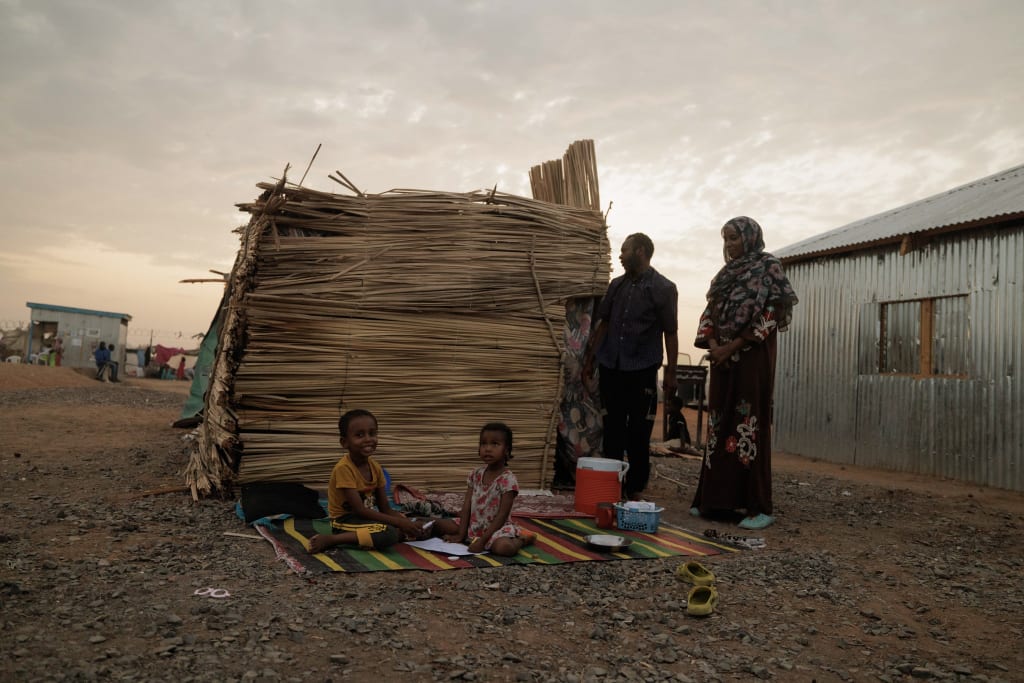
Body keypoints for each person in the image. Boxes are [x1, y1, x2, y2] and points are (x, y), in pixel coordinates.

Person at [690, 216, 798, 530]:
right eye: (725, 239)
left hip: (751, 360)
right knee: (719, 427)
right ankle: (713, 501)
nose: (729, 245)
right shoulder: (724, 275)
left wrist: (731, 347)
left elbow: (771, 315)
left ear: (750, 238)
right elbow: (709, 313)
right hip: (722, 361)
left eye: (734, 238)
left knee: (748, 426)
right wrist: (714, 345)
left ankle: (757, 507)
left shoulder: (769, 268)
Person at [583, 233, 679, 501]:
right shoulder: (616, 286)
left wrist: (671, 372)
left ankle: (635, 488)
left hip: (642, 369)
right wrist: (590, 360)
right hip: (611, 367)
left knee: (638, 431)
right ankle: (613, 486)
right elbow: (603, 324)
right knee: (612, 427)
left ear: (639, 251)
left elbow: (670, 332)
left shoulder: (663, 288)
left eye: (624, 250)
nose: (620, 255)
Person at [307, 409, 425, 553]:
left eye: (372, 433)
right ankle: (332, 540)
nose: (368, 439)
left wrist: (406, 522)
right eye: (359, 435)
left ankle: (404, 533)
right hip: (345, 522)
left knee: (419, 523)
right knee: (388, 532)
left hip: (367, 521)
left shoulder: (375, 467)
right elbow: (360, 510)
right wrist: (400, 523)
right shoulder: (343, 469)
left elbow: (385, 509)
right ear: (344, 443)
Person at [431, 422, 536, 556]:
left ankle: (523, 539)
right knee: (436, 524)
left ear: (506, 450)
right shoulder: (475, 474)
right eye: (483, 444)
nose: (488, 449)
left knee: (504, 548)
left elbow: (502, 516)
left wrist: (482, 541)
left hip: (496, 529)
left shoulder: (508, 480)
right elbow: (467, 505)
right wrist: (460, 535)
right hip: (473, 524)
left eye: (495, 444)